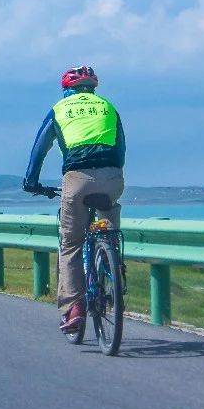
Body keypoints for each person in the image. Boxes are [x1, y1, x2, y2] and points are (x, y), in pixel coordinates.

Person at [22, 65, 126, 333]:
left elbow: (39, 150)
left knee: (71, 243)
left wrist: (31, 182)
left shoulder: (59, 109)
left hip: (77, 179)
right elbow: (121, 147)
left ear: (67, 90)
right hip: (113, 176)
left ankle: (74, 309)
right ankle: (114, 265)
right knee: (110, 221)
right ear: (93, 88)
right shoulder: (108, 107)